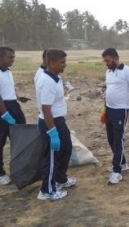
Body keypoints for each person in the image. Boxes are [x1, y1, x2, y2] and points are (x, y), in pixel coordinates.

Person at [35, 49, 76, 200]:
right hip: (51, 122)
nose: (65, 65)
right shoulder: (46, 81)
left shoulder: (56, 78)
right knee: (51, 157)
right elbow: (46, 109)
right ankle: (47, 191)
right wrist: (52, 132)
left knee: (66, 149)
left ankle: (60, 179)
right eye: (62, 62)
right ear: (51, 63)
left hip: (59, 120)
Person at [102, 48, 129, 184]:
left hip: (121, 110)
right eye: (105, 61)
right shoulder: (108, 72)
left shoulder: (127, 71)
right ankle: (122, 163)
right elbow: (108, 90)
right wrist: (104, 109)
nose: (106, 63)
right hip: (109, 109)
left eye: (108, 60)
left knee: (118, 140)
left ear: (115, 58)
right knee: (111, 139)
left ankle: (117, 171)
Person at [0, 47, 28, 185]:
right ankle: (0, 173)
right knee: (1, 141)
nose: (13, 59)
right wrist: (5, 114)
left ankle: (20, 169)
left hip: (13, 106)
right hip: (3, 109)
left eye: (13, 57)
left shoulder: (8, 72)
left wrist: (17, 97)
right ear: (1, 57)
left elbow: (6, 90)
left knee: (20, 138)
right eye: (10, 57)